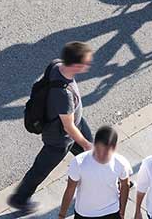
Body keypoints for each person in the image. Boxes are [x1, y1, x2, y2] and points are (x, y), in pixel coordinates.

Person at [9, 41, 95, 214]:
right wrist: (85, 144)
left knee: (94, 155)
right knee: (41, 169)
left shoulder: (57, 65)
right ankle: (19, 199)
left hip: (74, 125)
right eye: (86, 62)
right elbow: (68, 127)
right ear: (76, 65)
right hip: (60, 138)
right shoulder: (63, 96)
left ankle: (111, 181)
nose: (89, 64)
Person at [59, 125, 133, 219]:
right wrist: (62, 214)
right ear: (94, 145)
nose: (101, 156)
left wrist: (122, 210)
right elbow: (70, 189)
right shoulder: (79, 162)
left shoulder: (122, 163)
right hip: (84, 214)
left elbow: (125, 186)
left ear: (114, 148)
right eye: (98, 150)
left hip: (111, 211)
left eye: (106, 152)